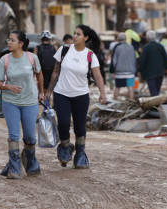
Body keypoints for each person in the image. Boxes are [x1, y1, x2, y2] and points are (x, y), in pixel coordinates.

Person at [45, 24, 106, 169]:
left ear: (86, 38)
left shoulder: (90, 55)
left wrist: (102, 93)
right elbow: (55, 72)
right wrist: (49, 91)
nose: (75, 36)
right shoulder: (64, 49)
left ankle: (80, 153)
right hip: (62, 93)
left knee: (80, 126)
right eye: (74, 33)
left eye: (78, 34)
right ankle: (65, 146)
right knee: (64, 123)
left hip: (81, 95)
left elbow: (98, 76)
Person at [0, 30, 44, 179]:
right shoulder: (4, 60)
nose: (9, 42)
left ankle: (31, 163)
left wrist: (42, 92)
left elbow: (39, 74)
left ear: (21, 44)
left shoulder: (32, 58)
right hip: (10, 103)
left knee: (29, 137)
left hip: (30, 102)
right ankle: (14, 169)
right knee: (14, 135)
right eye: (8, 40)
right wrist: (8, 87)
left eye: (12, 40)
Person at [138, 30, 167, 96]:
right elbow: (165, 58)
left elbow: (142, 60)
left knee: (153, 90)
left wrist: (140, 70)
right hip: (160, 72)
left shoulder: (146, 47)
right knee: (157, 89)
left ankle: (155, 104)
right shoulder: (160, 46)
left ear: (147, 38)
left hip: (150, 73)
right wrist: (166, 67)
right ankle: (157, 103)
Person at [110, 33, 136, 100]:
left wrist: (112, 71)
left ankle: (114, 101)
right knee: (130, 87)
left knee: (117, 87)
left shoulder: (116, 47)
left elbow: (114, 60)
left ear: (118, 39)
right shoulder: (131, 47)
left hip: (119, 72)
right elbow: (134, 59)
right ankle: (131, 102)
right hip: (130, 71)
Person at [34, 30, 58, 94]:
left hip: (42, 72)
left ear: (41, 39)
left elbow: (34, 60)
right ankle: (51, 103)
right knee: (54, 90)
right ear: (49, 39)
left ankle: (46, 103)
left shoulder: (37, 48)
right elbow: (58, 60)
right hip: (53, 71)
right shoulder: (54, 47)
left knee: (44, 91)